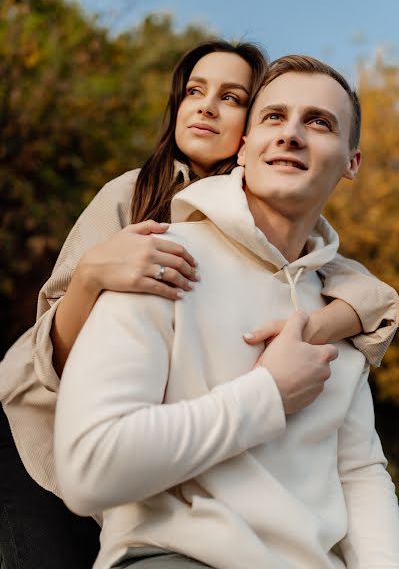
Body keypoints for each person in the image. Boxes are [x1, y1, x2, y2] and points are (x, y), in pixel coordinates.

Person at [0, 41, 397, 568]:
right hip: (34, 422)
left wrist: (322, 323)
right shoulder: (143, 224)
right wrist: (93, 276)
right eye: (195, 91)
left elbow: (373, 302)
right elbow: (52, 369)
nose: (208, 107)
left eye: (232, 97)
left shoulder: (324, 283)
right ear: (250, 142)